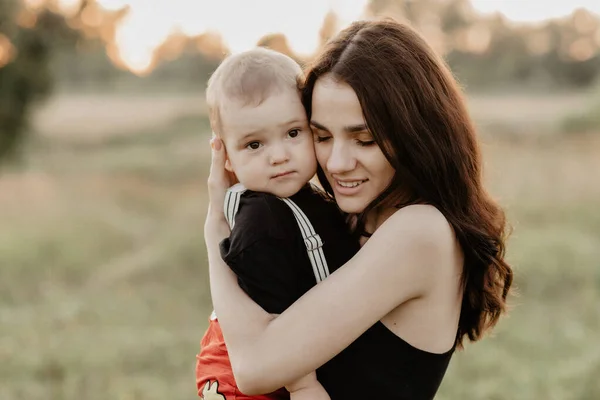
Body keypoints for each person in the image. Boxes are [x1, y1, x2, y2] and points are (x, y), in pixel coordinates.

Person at [203, 18, 514, 400]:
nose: (336, 163)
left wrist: (216, 227)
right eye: (321, 136)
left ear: (414, 135)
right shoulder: (350, 219)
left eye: (363, 139)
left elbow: (253, 369)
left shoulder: (420, 231)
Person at [195, 47, 360, 400]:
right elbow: (271, 315)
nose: (279, 155)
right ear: (226, 157)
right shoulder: (262, 221)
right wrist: (303, 384)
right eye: (254, 144)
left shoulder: (301, 198)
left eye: (293, 133)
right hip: (243, 384)